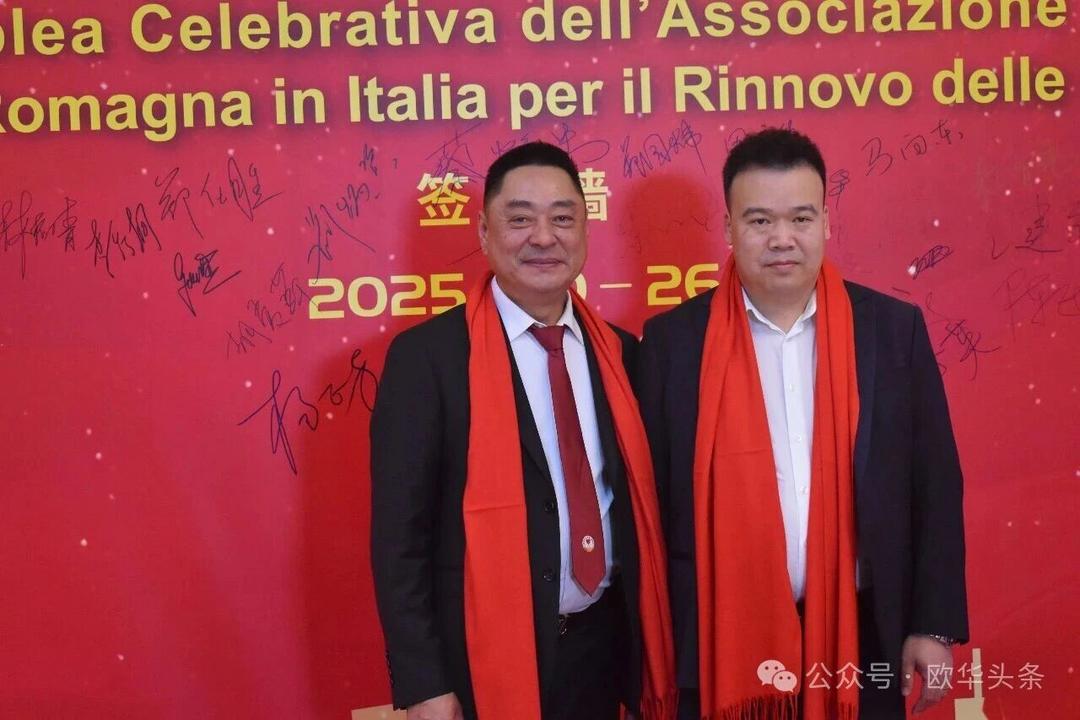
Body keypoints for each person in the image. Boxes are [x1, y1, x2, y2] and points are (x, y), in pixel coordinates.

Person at [636, 128, 968, 720]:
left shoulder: (891, 331)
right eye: (760, 220)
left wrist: (932, 625)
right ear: (729, 227)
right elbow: (652, 504)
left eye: (801, 218)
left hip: (864, 629)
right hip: (719, 634)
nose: (782, 239)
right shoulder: (673, 344)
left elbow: (934, 482)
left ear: (826, 223)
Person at [371, 141, 676, 720]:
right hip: (481, 660)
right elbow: (399, 543)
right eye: (519, 219)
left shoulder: (623, 355)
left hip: (603, 654)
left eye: (562, 218)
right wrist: (424, 683)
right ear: (484, 232)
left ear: (585, 231)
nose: (543, 237)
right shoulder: (428, 360)